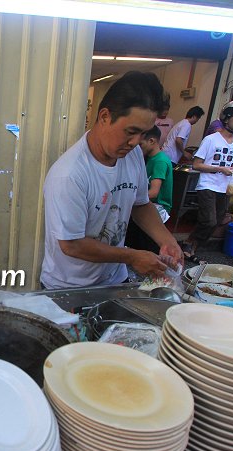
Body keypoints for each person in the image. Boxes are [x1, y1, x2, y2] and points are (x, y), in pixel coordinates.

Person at [40, 71, 183, 289]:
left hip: (115, 279)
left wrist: (166, 240)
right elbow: (72, 245)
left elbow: (141, 204)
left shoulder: (132, 154)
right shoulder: (70, 174)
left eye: (143, 134)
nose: (135, 142)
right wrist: (133, 257)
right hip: (69, 287)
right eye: (131, 131)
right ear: (105, 116)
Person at [181, 100, 233, 262]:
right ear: (227, 118)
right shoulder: (211, 140)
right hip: (208, 184)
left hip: (226, 187)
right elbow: (197, 164)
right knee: (209, 220)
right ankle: (188, 243)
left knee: (218, 221)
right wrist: (220, 169)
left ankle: (191, 247)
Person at [124, 125, 174, 253]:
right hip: (146, 201)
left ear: (152, 141)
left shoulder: (160, 161)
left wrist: (125, 197)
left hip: (159, 207)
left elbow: (153, 192)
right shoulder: (148, 158)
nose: (136, 148)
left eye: (140, 144)